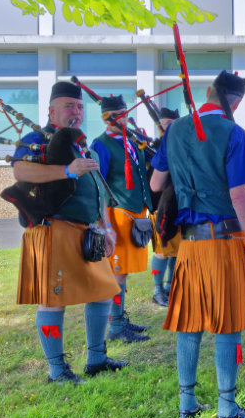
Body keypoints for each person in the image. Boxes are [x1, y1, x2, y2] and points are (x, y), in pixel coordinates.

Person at [149, 71, 245, 418]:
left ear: (207, 92)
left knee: (190, 325)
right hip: (224, 241)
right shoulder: (232, 132)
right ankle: (227, 408)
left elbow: (157, 182)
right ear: (235, 103)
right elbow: (239, 195)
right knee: (226, 325)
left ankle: (187, 403)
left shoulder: (174, 130)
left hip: (189, 245)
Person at [12, 81, 126, 384]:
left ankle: (97, 358)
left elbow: (99, 188)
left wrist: (107, 226)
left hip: (89, 231)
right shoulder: (35, 138)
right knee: (53, 300)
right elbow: (21, 171)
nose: (75, 112)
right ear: (51, 110)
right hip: (54, 229)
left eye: (78, 107)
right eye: (68, 106)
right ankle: (57, 370)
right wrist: (66, 170)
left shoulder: (81, 144)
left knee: (104, 292)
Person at [90, 95, 153, 344]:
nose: (123, 118)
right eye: (117, 115)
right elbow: (99, 184)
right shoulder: (101, 144)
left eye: (125, 113)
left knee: (123, 272)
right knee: (117, 272)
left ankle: (120, 318)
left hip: (135, 214)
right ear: (107, 118)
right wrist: (104, 224)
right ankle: (115, 325)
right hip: (117, 214)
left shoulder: (132, 141)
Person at [149, 107, 180, 308]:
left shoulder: (178, 143)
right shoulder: (155, 146)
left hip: (177, 203)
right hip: (159, 204)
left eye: (172, 124)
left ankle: (170, 286)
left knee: (175, 250)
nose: (169, 127)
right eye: (166, 124)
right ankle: (157, 290)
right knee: (162, 250)